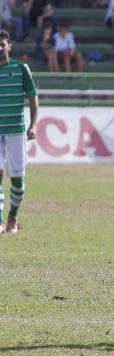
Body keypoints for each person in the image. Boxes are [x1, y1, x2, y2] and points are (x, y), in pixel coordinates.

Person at [0, 29, 38, 234]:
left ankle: (12, 217)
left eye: (2, 44)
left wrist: (34, 124)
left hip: (16, 130)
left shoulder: (21, 68)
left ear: (9, 46)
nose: (0, 47)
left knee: (17, 178)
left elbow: (33, 96)